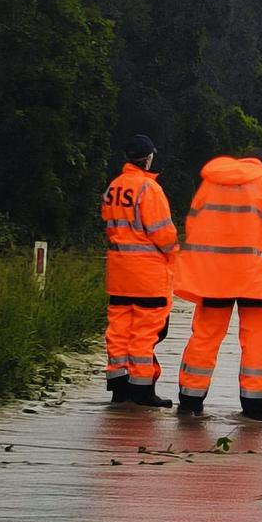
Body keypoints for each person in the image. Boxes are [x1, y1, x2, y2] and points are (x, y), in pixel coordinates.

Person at [173, 149, 262, 420]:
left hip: (214, 276)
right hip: (255, 275)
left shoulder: (210, 182)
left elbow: (193, 223)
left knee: (205, 336)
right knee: (256, 340)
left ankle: (190, 399)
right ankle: (254, 406)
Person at [102, 135, 177, 407]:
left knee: (118, 330)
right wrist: (174, 254)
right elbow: (163, 233)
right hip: (147, 275)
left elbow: (110, 227)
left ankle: (119, 388)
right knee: (145, 333)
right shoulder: (149, 189)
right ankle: (143, 390)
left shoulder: (114, 187)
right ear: (148, 158)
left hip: (119, 273)